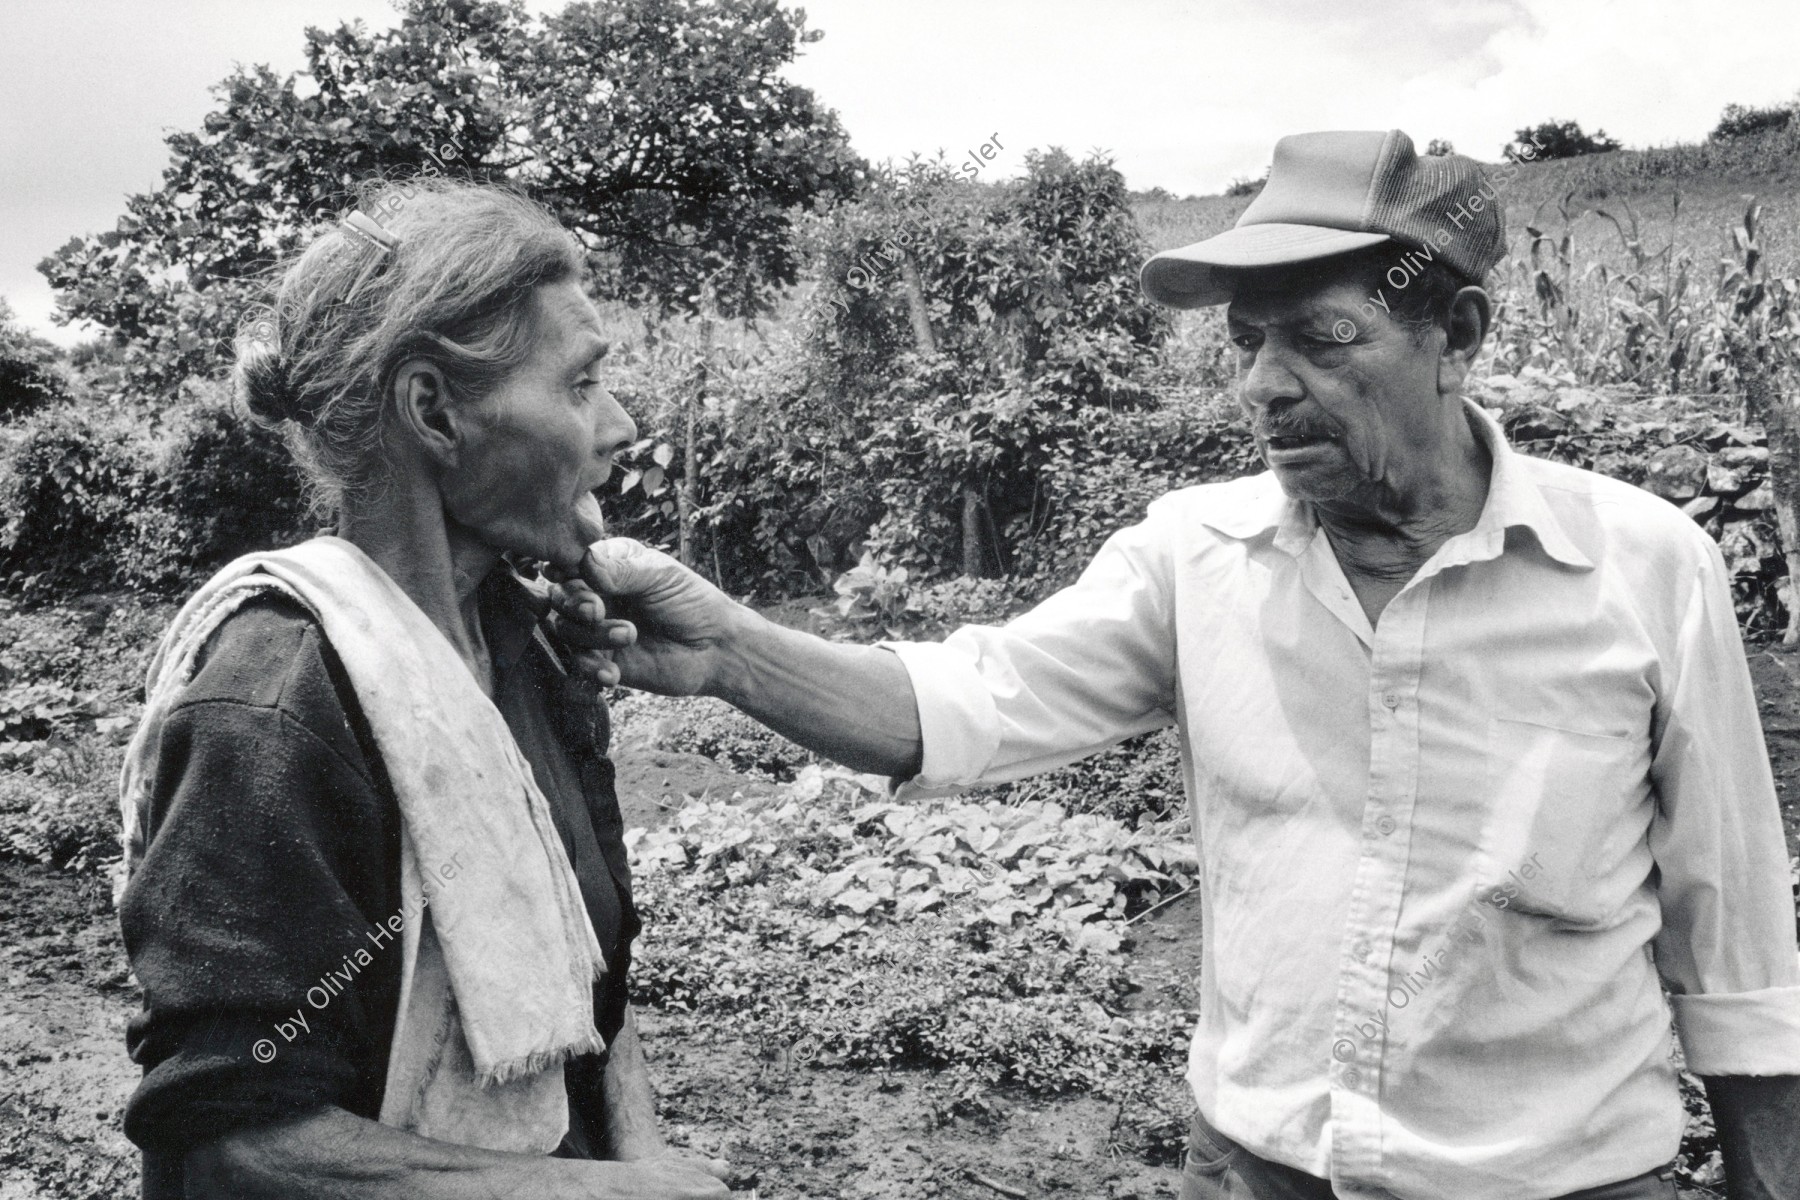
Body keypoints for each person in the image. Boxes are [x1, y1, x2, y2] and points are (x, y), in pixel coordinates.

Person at [554, 132, 1800, 1199]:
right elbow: (968, 705)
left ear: (1455, 333)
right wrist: (726, 646)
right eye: (1247, 343)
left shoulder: (1642, 568)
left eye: (1320, 337)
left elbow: (1736, 947)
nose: (1266, 385)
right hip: (1252, 1167)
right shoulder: (1195, 556)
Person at [117, 179, 730, 1200]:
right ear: (434, 411)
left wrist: (643, 1156)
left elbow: (590, 991)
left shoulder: (529, 650)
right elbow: (232, 1144)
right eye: (580, 386)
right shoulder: (273, 710)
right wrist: (610, 1195)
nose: (620, 426)